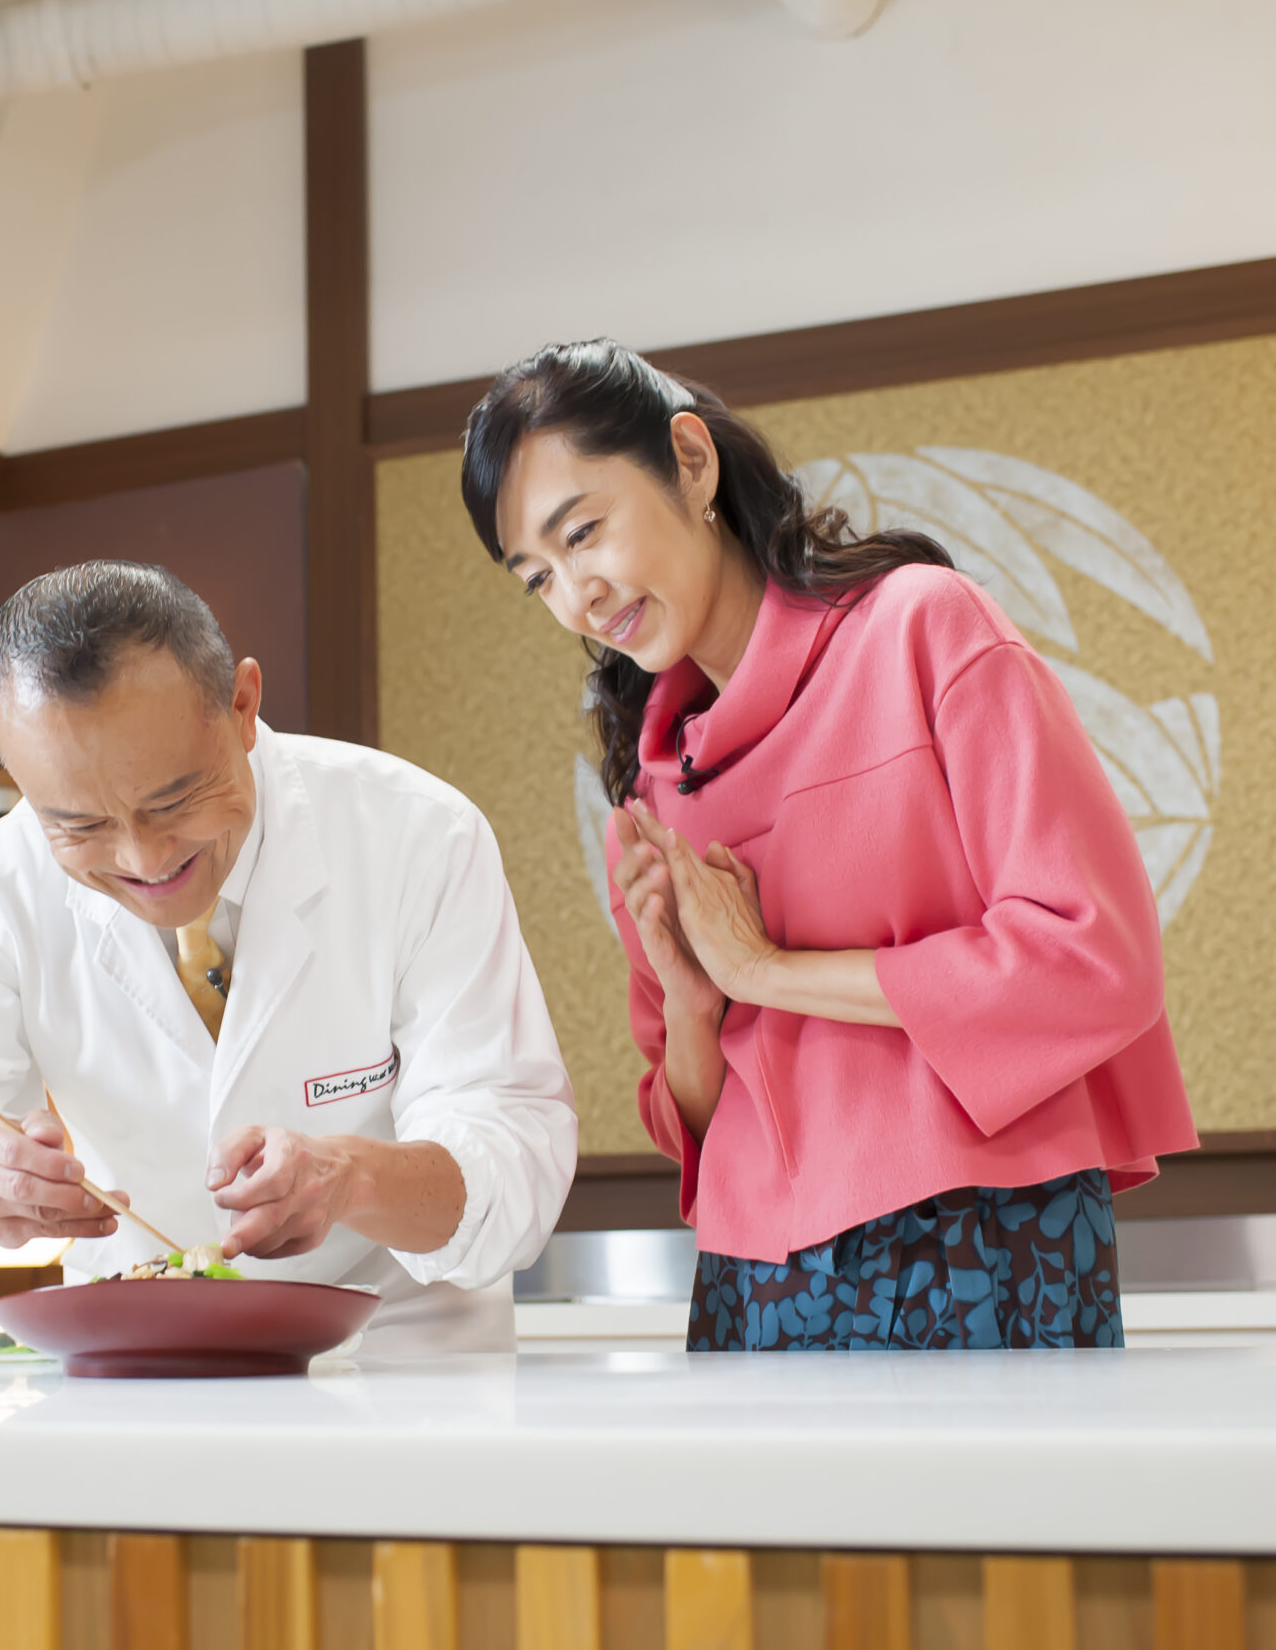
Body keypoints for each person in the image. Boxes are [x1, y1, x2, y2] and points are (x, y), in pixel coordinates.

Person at [462, 339, 1196, 1350]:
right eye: (535, 577)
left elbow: (1090, 961)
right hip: (750, 1277)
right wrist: (695, 997)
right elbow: (694, 1118)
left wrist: (766, 969)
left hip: (979, 1231)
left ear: (690, 459)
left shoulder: (922, 629)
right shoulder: (647, 790)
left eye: (582, 533)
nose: (575, 596)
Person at [0, 561, 576, 1350]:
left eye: (173, 800)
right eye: (79, 825)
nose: (143, 860)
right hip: (135, 1388)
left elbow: (513, 1162)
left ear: (242, 706)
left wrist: (352, 1178)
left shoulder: (418, 835)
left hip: (402, 1380)